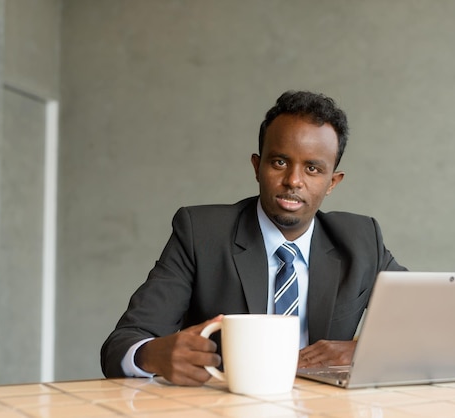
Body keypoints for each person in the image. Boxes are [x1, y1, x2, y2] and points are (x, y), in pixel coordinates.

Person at [101, 90, 406, 386]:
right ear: (257, 166)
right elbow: (122, 344)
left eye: (312, 169)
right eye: (280, 162)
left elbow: (433, 327)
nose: (293, 181)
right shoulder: (201, 233)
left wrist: (364, 351)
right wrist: (153, 355)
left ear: (332, 182)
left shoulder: (361, 240)